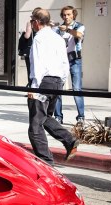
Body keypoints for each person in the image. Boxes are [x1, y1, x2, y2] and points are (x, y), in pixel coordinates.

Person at [27, 8, 79, 166]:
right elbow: (65, 63)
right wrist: (62, 82)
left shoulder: (39, 39)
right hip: (56, 82)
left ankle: (46, 162)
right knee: (46, 117)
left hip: (43, 83)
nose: (32, 24)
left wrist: (34, 87)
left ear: (36, 22)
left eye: (32, 22)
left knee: (35, 127)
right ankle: (69, 140)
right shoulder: (57, 38)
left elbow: (38, 64)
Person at [53, 5, 85, 125]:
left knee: (77, 89)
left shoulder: (79, 26)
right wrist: (52, 27)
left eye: (69, 14)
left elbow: (79, 35)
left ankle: (81, 117)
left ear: (73, 15)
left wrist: (66, 30)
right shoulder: (57, 29)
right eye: (64, 15)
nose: (66, 17)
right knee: (58, 88)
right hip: (61, 61)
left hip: (74, 59)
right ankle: (58, 117)